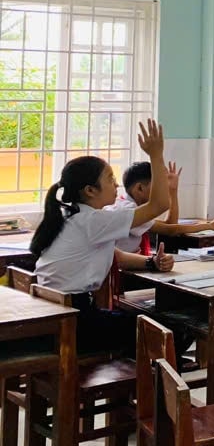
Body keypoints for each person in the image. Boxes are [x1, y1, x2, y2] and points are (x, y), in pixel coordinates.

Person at [33, 119, 177, 353]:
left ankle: (140, 381)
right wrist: (156, 155)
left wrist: (151, 262)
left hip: (57, 315)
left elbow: (113, 254)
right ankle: (153, 386)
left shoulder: (72, 215)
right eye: (110, 179)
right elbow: (160, 203)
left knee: (145, 324)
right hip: (78, 321)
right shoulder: (94, 220)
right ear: (90, 191)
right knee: (169, 329)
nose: (116, 185)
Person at [110, 161, 214, 251]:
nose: (162, 189)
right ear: (140, 188)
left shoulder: (131, 204)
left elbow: (170, 223)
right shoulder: (128, 209)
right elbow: (171, 230)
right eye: (158, 185)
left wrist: (173, 190)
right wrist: (210, 225)